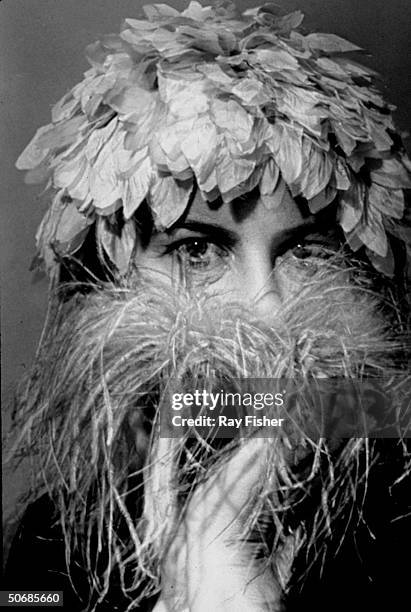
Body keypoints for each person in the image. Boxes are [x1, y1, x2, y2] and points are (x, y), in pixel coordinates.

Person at [5, 2, 411, 611]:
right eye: (196, 250)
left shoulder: (397, 510)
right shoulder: (48, 548)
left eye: (305, 252)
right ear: (111, 279)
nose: (268, 310)